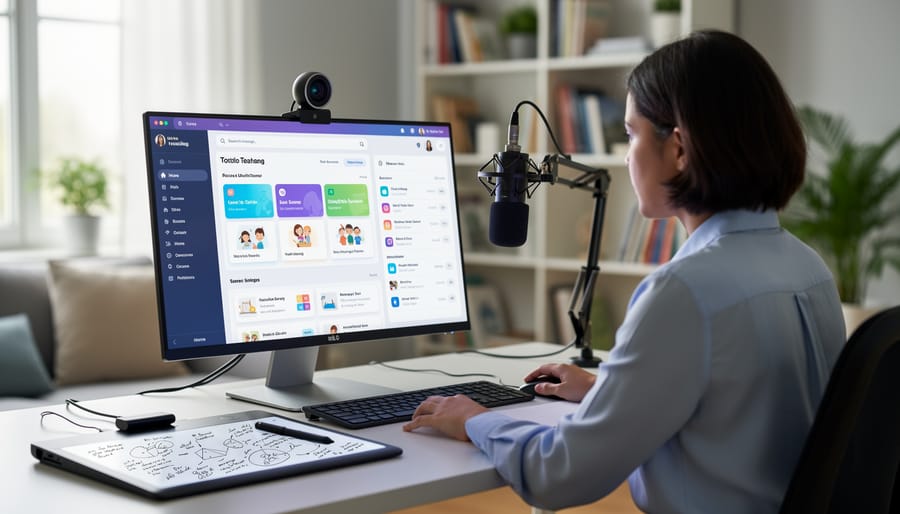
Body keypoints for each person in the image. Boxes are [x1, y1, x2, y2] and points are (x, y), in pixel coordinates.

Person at [403, 30, 845, 513]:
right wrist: (610, 391)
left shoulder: (684, 292)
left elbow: (560, 474)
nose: (626, 152)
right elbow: (743, 409)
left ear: (679, 149)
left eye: (631, 133)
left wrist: (475, 418)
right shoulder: (809, 269)